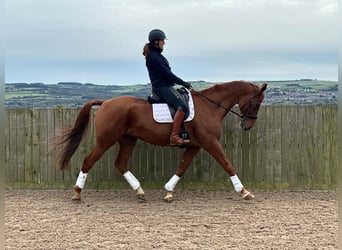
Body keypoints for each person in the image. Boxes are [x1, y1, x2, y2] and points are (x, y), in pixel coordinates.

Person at [143, 29, 191, 146]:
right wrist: (183, 82)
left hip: (166, 86)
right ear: (156, 42)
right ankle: (174, 136)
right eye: (162, 41)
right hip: (162, 87)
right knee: (182, 106)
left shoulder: (157, 55)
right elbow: (167, 74)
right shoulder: (154, 57)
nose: (164, 43)